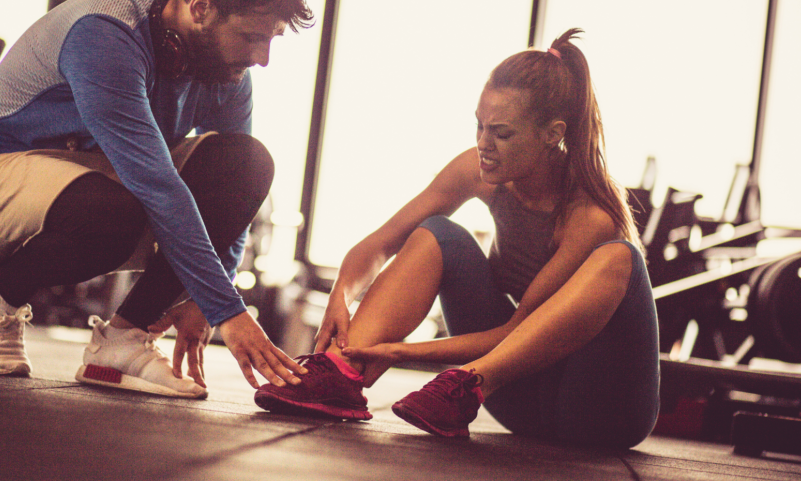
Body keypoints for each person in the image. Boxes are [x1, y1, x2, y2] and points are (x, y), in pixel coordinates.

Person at [0, 0, 310, 399]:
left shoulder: (225, 70)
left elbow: (235, 199)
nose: (263, 58)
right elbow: (157, 186)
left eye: (272, 39)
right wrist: (228, 310)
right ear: (200, 8)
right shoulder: (105, 33)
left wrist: (204, 296)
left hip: (96, 183)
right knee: (123, 204)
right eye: (252, 37)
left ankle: (123, 340)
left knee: (246, 163)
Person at [255, 29, 660, 449]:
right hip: (520, 403)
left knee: (620, 258)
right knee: (438, 234)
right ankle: (342, 373)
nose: (484, 144)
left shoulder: (589, 214)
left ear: (552, 134)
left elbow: (519, 332)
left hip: (600, 412)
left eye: (501, 133)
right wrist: (342, 293)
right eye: (479, 126)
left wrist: (400, 353)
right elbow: (381, 242)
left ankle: (459, 385)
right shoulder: (479, 172)